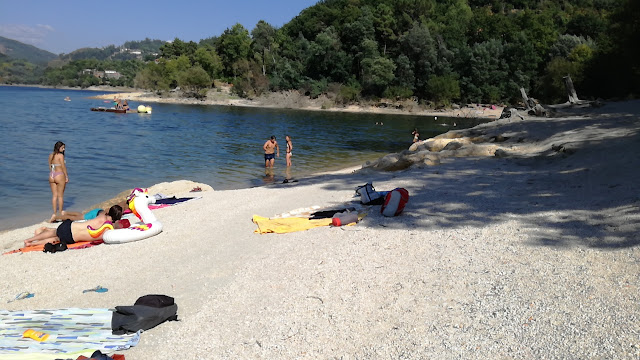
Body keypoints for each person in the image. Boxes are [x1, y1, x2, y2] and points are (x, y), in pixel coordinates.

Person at [24, 205, 123, 247]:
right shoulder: (108, 228)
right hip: (71, 237)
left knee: (54, 232)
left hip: (71, 226)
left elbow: (101, 212)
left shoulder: (101, 214)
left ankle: (29, 240)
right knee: (56, 238)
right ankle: (31, 244)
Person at [49, 141, 68, 221]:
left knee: (54, 196)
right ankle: (60, 213)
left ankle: (54, 213)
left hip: (52, 175)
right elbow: (63, 167)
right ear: (58, 148)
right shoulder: (60, 156)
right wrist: (66, 176)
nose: (63, 149)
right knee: (60, 196)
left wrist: (53, 173)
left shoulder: (51, 155)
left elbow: (50, 166)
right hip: (59, 175)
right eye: (62, 148)